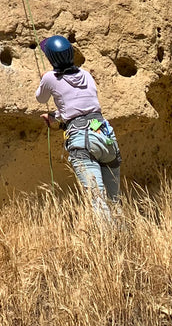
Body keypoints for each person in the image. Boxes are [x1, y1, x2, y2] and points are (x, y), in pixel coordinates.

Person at [35, 35, 120, 220]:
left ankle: (107, 247)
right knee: (114, 203)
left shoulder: (50, 78)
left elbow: (40, 98)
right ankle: (124, 243)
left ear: (51, 58)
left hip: (82, 140)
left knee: (98, 202)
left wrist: (44, 79)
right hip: (105, 136)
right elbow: (81, 106)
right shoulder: (86, 75)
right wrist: (56, 117)